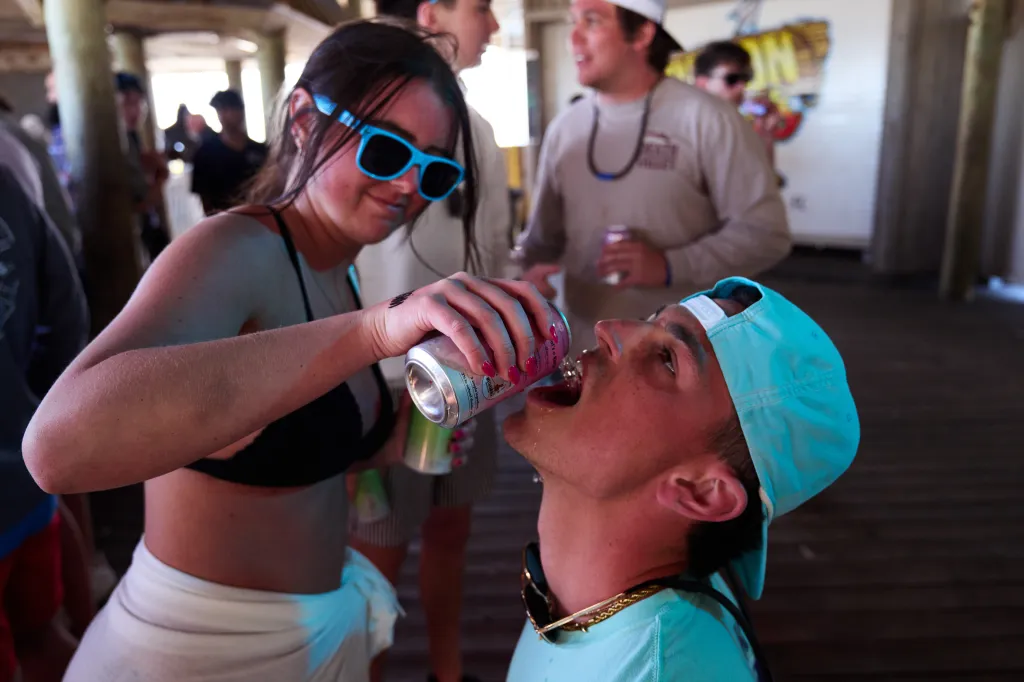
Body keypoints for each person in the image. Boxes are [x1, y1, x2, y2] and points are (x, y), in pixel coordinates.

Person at [22, 20, 554, 682]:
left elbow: (289, 444)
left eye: (435, 170)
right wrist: (374, 330)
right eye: (386, 150)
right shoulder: (232, 251)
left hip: (308, 630)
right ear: (302, 119)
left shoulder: (334, 266)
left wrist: (389, 441)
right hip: (198, 652)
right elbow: (56, 448)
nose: (408, 185)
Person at [504, 276, 860, 681]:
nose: (608, 328)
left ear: (702, 491)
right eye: (648, 319)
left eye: (667, 360)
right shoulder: (584, 599)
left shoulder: (660, 670)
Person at [352, 3, 508, 682]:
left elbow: (491, 252)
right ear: (432, 11)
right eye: (482, 7)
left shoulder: (477, 129)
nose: (494, 25)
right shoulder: (355, 117)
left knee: (451, 529)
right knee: (373, 556)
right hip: (375, 380)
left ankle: (448, 671)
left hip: (463, 371)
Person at [515, 0, 791, 355]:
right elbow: (541, 242)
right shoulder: (566, 127)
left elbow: (767, 234)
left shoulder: (708, 119)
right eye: (573, 22)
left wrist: (669, 265)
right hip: (582, 349)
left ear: (643, 32)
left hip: (680, 356)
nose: (573, 39)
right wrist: (521, 277)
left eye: (592, 21)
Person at [1, 164, 89, 682]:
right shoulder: (5, 183)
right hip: (22, 480)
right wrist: (29, 408)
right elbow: (66, 314)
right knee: (44, 639)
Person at [693, 41, 784, 175]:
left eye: (746, 78)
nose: (742, 87)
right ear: (702, 83)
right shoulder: (689, 129)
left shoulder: (735, 126)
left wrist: (766, 134)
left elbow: (760, 182)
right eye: (732, 79)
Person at [115, 72, 172, 263]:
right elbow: (134, 206)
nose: (135, 111)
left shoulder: (130, 138)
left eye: (139, 102)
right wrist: (161, 178)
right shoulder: (113, 141)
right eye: (127, 103)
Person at [191, 89, 268, 215]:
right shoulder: (205, 153)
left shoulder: (260, 150)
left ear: (241, 111)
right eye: (220, 110)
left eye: (229, 109)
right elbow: (204, 196)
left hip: (259, 217)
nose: (224, 115)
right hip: (223, 219)